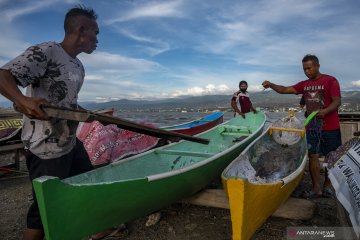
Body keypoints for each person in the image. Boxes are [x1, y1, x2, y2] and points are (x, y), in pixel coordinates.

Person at [0, 5, 122, 240]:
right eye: (95, 33)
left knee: (87, 182)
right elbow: (3, 76)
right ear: (81, 30)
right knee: (44, 207)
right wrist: (23, 100)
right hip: (45, 146)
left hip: (69, 142)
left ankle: (97, 228)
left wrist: (96, 117)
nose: (97, 40)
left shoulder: (78, 67)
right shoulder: (46, 52)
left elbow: (68, 105)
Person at [262, 54, 342, 199]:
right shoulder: (304, 84)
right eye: (304, 69)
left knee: (332, 158)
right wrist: (271, 85)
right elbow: (285, 89)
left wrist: (325, 111)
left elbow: (337, 101)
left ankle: (328, 186)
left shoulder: (331, 80)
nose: (307, 71)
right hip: (312, 127)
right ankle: (316, 188)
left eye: (309, 68)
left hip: (330, 127)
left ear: (317, 66)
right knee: (313, 156)